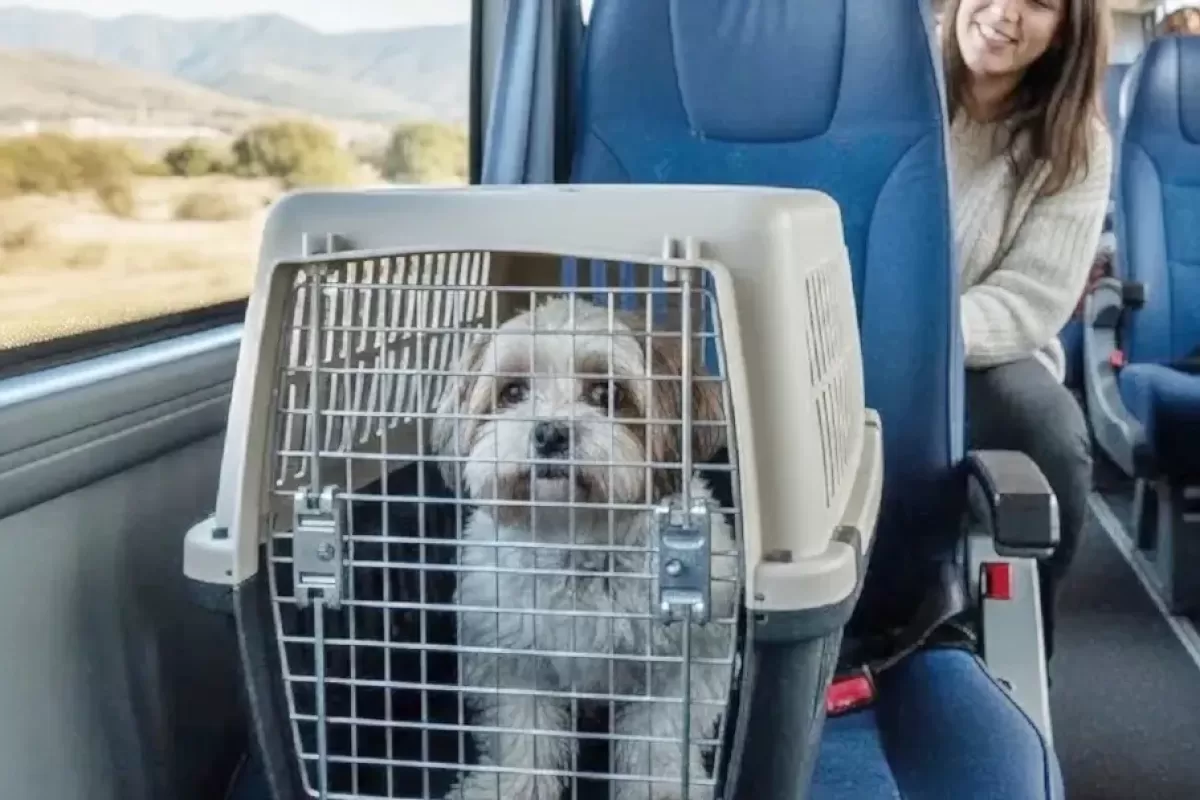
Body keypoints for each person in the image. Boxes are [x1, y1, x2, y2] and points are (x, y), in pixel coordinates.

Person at [941, 0, 1112, 662]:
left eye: (1040, 3)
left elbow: (1028, 300)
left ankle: (1021, 658)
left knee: (1049, 432)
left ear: (1067, 28)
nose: (1006, 12)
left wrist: (911, 335)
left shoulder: (1078, 144)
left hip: (982, 353)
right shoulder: (888, 80)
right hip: (844, 331)